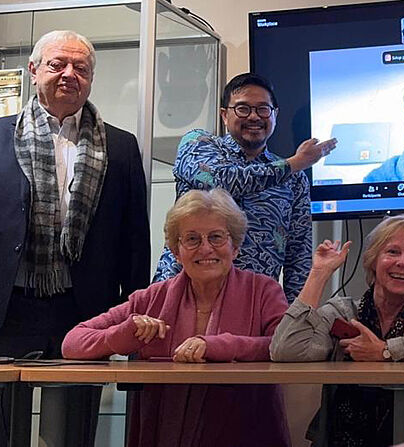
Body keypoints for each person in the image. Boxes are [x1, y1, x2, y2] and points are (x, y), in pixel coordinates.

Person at [0, 30, 150, 447]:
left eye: (80, 68)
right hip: (8, 307)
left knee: (69, 435)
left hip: (83, 309)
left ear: (91, 79)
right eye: (57, 64)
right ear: (33, 71)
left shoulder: (120, 146)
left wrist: (131, 321)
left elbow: (135, 240)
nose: (69, 75)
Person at [63, 189, 290, 447]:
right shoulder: (151, 299)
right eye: (192, 239)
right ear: (176, 251)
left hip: (248, 434)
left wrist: (219, 346)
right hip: (163, 435)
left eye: (216, 237)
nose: (205, 248)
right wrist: (121, 336)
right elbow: (72, 342)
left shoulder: (264, 290)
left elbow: (283, 347)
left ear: (235, 247)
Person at [270, 215, 404, 447]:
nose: (402, 262)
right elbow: (286, 350)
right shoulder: (343, 310)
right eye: (392, 252)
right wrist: (319, 274)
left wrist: (386, 350)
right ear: (373, 260)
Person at [153, 73, 336, 302]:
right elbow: (226, 181)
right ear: (224, 115)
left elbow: (298, 254)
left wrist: (293, 319)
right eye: (242, 109)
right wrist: (294, 163)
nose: (254, 117)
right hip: (182, 296)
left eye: (263, 109)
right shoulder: (198, 144)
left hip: (252, 306)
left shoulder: (295, 179)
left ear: (275, 115)